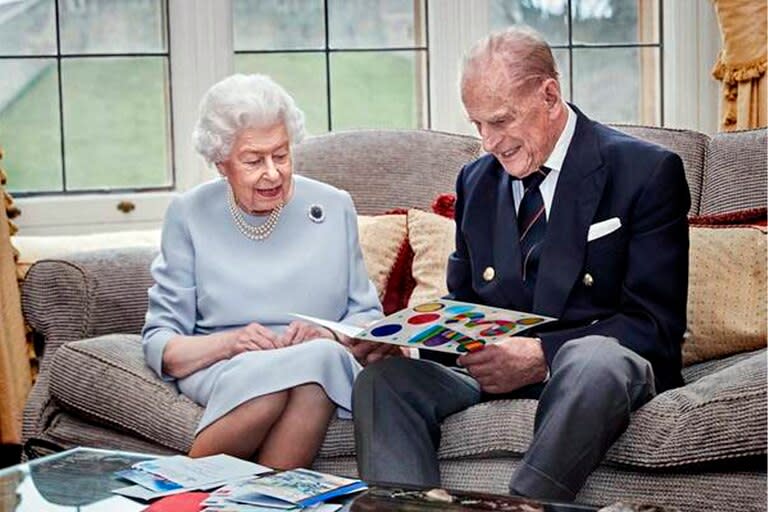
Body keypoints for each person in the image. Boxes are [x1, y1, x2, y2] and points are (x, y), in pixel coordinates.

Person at [353, 27, 690, 501]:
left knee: (595, 359)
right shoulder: (476, 180)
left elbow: (655, 326)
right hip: (490, 375)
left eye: (500, 121)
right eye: (477, 125)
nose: (488, 142)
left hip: (586, 377)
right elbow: (466, 304)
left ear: (549, 95)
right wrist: (408, 344)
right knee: (383, 382)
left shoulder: (645, 172)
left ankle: (522, 506)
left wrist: (540, 358)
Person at [142, 73, 389, 469]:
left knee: (316, 367)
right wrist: (231, 343)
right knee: (281, 386)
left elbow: (367, 318)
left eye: (282, 154)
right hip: (223, 363)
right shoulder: (189, 214)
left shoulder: (334, 206)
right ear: (222, 164)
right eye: (254, 160)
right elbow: (162, 343)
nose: (273, 173)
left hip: (318, 358)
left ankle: (179, 494)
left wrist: (327, 332)